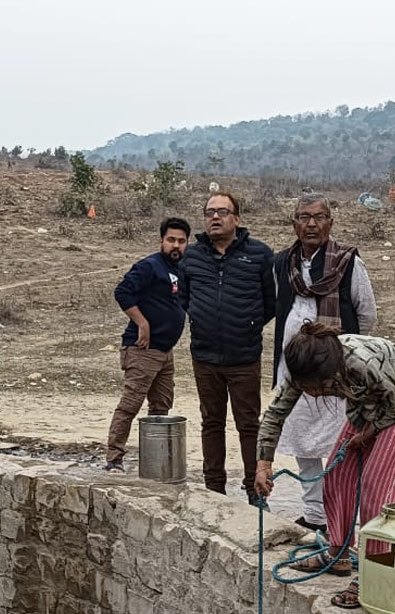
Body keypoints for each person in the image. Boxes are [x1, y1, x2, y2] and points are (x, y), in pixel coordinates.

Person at [254, 323, 395, 608]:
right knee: (336, 475)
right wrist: (263, 463)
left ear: (330, 374)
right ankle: (338, 554)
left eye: (315, 388)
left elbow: (393, 406)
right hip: (367, 406)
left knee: (376, 486)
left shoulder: (361, 364)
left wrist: (367, 435)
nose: (310, 394)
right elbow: (275, 414)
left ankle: (374, 573)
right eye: (305, 388)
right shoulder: (305, 370)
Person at [271, 195, 377, 535]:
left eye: (319, 217)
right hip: (295, 369)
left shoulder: (347, 262)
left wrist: (339, 349)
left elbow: (366, 314)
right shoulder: (283, 263)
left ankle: (341, 515)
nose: (312, 224)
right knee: (302, 441)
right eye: (304, 217)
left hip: (336, 374)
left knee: (338, 442)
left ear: (330, 223)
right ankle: (315, 514)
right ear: (294, 224)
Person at [179, 193, 275, 503]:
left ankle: (255, 492)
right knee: (211, 422)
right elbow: (185, 299)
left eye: (222, 211)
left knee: (248, 425)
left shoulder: (260, 255)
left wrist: (247, 326)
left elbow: (271, 302)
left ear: (237, 218)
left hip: (244, 357)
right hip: (204, 356)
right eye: (209, 212)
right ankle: (214, 491)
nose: (215, 218)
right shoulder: (192, 257)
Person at [104, 217, 190, 472]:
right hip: (143, 348)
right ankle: (114, 458)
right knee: (130, 404)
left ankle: (155, 460)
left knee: (161, 406)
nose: (176, 245)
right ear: (161, 241)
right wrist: (142, 323)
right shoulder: (150, 266)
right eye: (171, 240)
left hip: (166, 351)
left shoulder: (181, 269)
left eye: (181, 241)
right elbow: (122, 292)